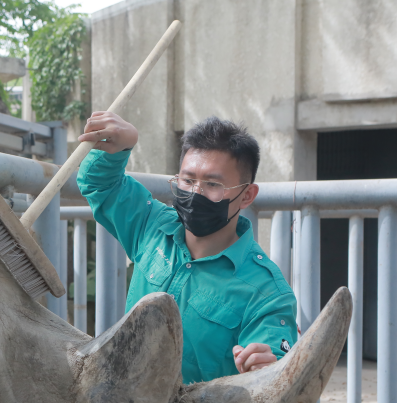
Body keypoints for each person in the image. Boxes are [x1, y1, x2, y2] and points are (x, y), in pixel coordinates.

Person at [76, 112, 298, 384]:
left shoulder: (267, 294)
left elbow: (275, 375)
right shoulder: (151, 227)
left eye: (213, 184)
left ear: (247, 196)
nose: (196, 193)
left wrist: (266, 370)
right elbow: (99, 183)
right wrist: (118, 147)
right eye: (188, 180)